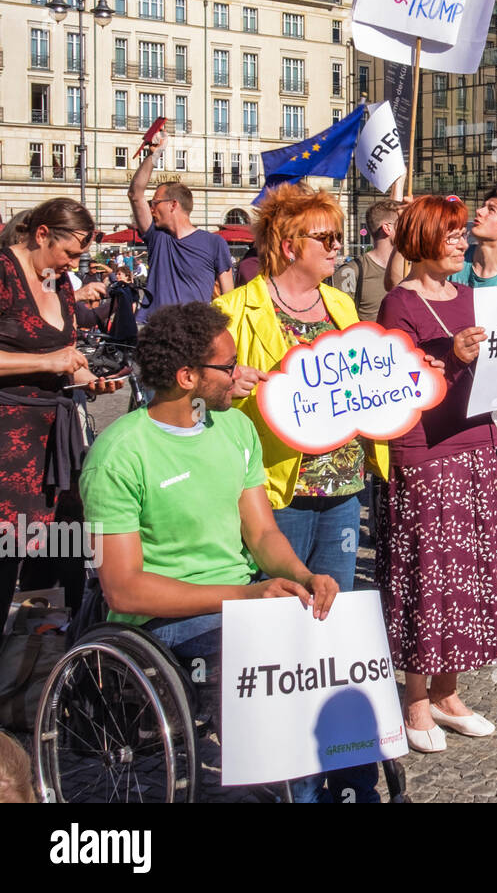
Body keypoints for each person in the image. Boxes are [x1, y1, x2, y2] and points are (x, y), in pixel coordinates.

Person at [80, 302, 347, 799]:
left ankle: (346, 784)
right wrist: (244, 598)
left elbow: (262, 535)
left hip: (238, 600)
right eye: (228, 366)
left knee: (341, 644)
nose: (241, 375)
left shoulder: (236, 429)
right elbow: (124, 588)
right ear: (186, 376)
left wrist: (303, 576)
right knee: (275, 658)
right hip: (163, 623)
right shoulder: (119, 455)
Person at [213, 184, 383, 800]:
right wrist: (230, 385)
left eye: (340, 238)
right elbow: (205, 393)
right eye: (326, 238)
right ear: (289, 245)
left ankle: (333, 763)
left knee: (329, 623)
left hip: (341, 482)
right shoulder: (239, 307)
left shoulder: (341, 304)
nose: (339, 247)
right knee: (282, 622)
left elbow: (367, 377)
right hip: (276, 488)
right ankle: (283, 765)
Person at [375, 196, 497, 750]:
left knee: (465, 574)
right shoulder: (399, 304)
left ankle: (448, 693)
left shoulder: (471, 296)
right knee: (428, 574)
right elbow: (397, 383)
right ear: (422, 239)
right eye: (450, 237)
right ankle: (415, 699)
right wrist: (452, 354)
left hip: (474, 443)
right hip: (424, 449)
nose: (461, 243)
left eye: (461, 236)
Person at [0, 199, 118, 617]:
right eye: (70, 253)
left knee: (61, 550)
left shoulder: (54, 277)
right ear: (42, 233)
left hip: (55, 434)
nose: (73, 264)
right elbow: (46, 357)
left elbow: (61, 350)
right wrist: (46, 363)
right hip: (9, 441)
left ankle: (44, 652)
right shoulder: (4, 271)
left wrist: (91, 380)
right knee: (7, 552)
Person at [128, 129, 233, 320]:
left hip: (193, 334)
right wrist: (155, 154)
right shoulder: (157, 236)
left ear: (173, 205)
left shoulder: (214, 243)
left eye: (155, 203)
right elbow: (136, 194)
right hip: (154, 331)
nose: (151, 209)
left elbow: (229, 298)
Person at [385, 186, 497, 291]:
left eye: (491, 210)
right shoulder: (455, 256)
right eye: (483, 206)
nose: (479, 211)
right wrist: (410, 226)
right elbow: (396, 285)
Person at [355, 199, 400, 320]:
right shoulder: (354, 271)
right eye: (403, 223)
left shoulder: (412, 268)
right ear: (387, 228)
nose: (409, 228)